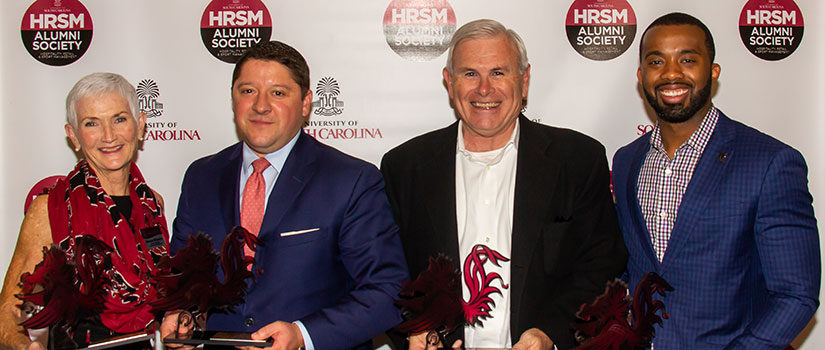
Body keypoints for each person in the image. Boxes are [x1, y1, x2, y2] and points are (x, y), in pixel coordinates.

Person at [381, 19, 627, 350]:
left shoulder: (578, 160)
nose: (484, 89)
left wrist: (549, 334)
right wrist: (416, 328)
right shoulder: (404, 167)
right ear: (450, 82)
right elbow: (385, 274)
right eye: (470, 73)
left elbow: (601, 266)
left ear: (524, 81)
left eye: (498, 72)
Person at [162, 40, 408, 350]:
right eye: (248, 91)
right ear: (233, 98)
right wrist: (183, 313)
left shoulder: (352, 180)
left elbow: (387, 291)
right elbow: (183, 278)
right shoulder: (201, 177)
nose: (260, 105)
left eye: (278, 93)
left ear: (305, 103)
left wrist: (303, 335)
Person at [612, 12, 820, 349]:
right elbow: (630, 269)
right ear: (641, 75)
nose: (671, 73)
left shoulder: (769, 162)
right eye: (656, 62)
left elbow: (795, 295)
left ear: (713, 71)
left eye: (688, 60)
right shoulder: (626, 161)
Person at [0, 72, 169, 349]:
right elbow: (9, 309)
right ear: (73, 136)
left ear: (139, 125)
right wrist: (25, 346)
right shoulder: (50, 209)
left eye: (119, 119)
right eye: (92, 123)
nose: (109, 136)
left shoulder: (152, 204)